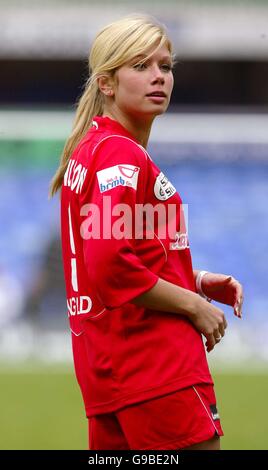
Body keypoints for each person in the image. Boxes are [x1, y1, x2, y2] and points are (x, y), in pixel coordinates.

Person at [50, 14, 243, 450]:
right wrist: (194, 305)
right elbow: (110, 265)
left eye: (165, 66)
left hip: (109, 371)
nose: (159, 77)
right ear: (106, 84)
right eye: (140, 66)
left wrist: (192, 279)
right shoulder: (121, 157)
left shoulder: (91, 152)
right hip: (157, 367)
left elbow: (119, 253)